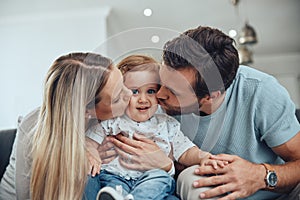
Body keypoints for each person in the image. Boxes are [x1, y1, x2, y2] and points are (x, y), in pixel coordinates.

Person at [108, 26, 300, 200]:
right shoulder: (150, 102)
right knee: (192, 179)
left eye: (173, 92)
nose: (158, 95)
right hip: (199, 189)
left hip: (273, 193)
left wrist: (260, 176)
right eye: (160, 82)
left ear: (209, 96)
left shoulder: (261, 93)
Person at [86, 55, 228, 200]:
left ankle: (134, 198)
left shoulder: (167, 124)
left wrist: (203, 157)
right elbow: (90, 142)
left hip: (152, 179)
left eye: (151, 91)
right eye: (135, 91)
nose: (143, 99)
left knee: (161, 178)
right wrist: (93, 153)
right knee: (106, 182)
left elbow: (186, 151)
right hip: (116, 176)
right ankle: (120, 196)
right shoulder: (113, 121)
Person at [0, 52, 133, 200]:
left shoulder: (114, 118)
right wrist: (81, 158)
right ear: (86, 111)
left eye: (124, 84)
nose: (129, 94)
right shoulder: (33, 129)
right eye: (117, 98)